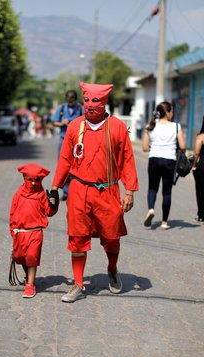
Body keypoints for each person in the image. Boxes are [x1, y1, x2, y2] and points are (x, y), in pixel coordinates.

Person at [50, 82, 138, 303]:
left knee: (111, 237)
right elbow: (64, 160)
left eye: (95, 101)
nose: (90, 105)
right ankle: (78, 284)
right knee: (77, 237)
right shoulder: (74, 127)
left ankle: (112, 268)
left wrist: (129, 191)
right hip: (79, 190)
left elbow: (127, 159)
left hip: (108, 191)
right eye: (87, 100)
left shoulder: (117, 127)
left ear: (104, 102)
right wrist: (55, 187)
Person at [9, 163, 59, 298]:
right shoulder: (18, 194)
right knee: (21, 258)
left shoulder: (41, 194)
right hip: (20, 232)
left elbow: (48, 212)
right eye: (30, 179)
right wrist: (12, 230)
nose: (33, 183)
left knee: (32, 256)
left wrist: (53, 204)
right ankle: (28, 276)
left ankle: (30, 285)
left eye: (37, 180)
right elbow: (12, 213)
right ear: (24, 178)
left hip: (35, 231)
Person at [141, 101, 185, 230]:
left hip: (154, 159)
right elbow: (182, 146)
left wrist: (155, 147)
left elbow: (144, 148)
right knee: (167, 192)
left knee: (152, 188)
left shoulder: (150, 126)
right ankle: (164, 222)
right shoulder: (176, 126)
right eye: (172, 111)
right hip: (169, 161)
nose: (173, 114)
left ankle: (151, 209)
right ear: (168, 112)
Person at [51, 90, 84, 201]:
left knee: (77, 165)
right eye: (68, 101)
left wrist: (75, 123)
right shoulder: (61, 108)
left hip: (78, 141)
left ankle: (74, 191)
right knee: (63, 166)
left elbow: (86, 121)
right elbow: (53, 122)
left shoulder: (80, 108)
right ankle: (65, 191)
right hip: (63, 139)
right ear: (66, 99)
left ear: (75, 99)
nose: (70, 103)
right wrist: (62, 123)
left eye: (72, 101)